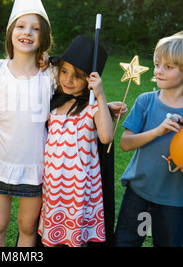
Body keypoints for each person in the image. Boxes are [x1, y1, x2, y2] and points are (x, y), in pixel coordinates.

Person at [113, 31, 183, 247]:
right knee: (125, 243)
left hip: (174, 203)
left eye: (168, 67)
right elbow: (125, 143)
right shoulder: (145, 102)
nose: (158, 71)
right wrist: (158, 131)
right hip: (138, 193)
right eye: (157, 64)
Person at [0, 0, 57, 247]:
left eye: (35, 28)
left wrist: (104, 103)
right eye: (21, 26)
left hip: (35, 164)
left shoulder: (50, 74)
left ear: (43, 37)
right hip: (1, 160)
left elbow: (75, 98)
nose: (27, 32)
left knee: (28, 227)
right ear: (11, 31)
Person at [37, 35, 114, 247]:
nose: (68, 80)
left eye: (78, 76)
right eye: (64, 71)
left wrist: (101, 97)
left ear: (91, 80)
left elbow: (106, 136)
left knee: (75, 237)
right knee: (52, 238)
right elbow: (40, 69)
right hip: (53, 186)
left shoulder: (92, 108)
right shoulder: (53, 103)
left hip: (79, 190)